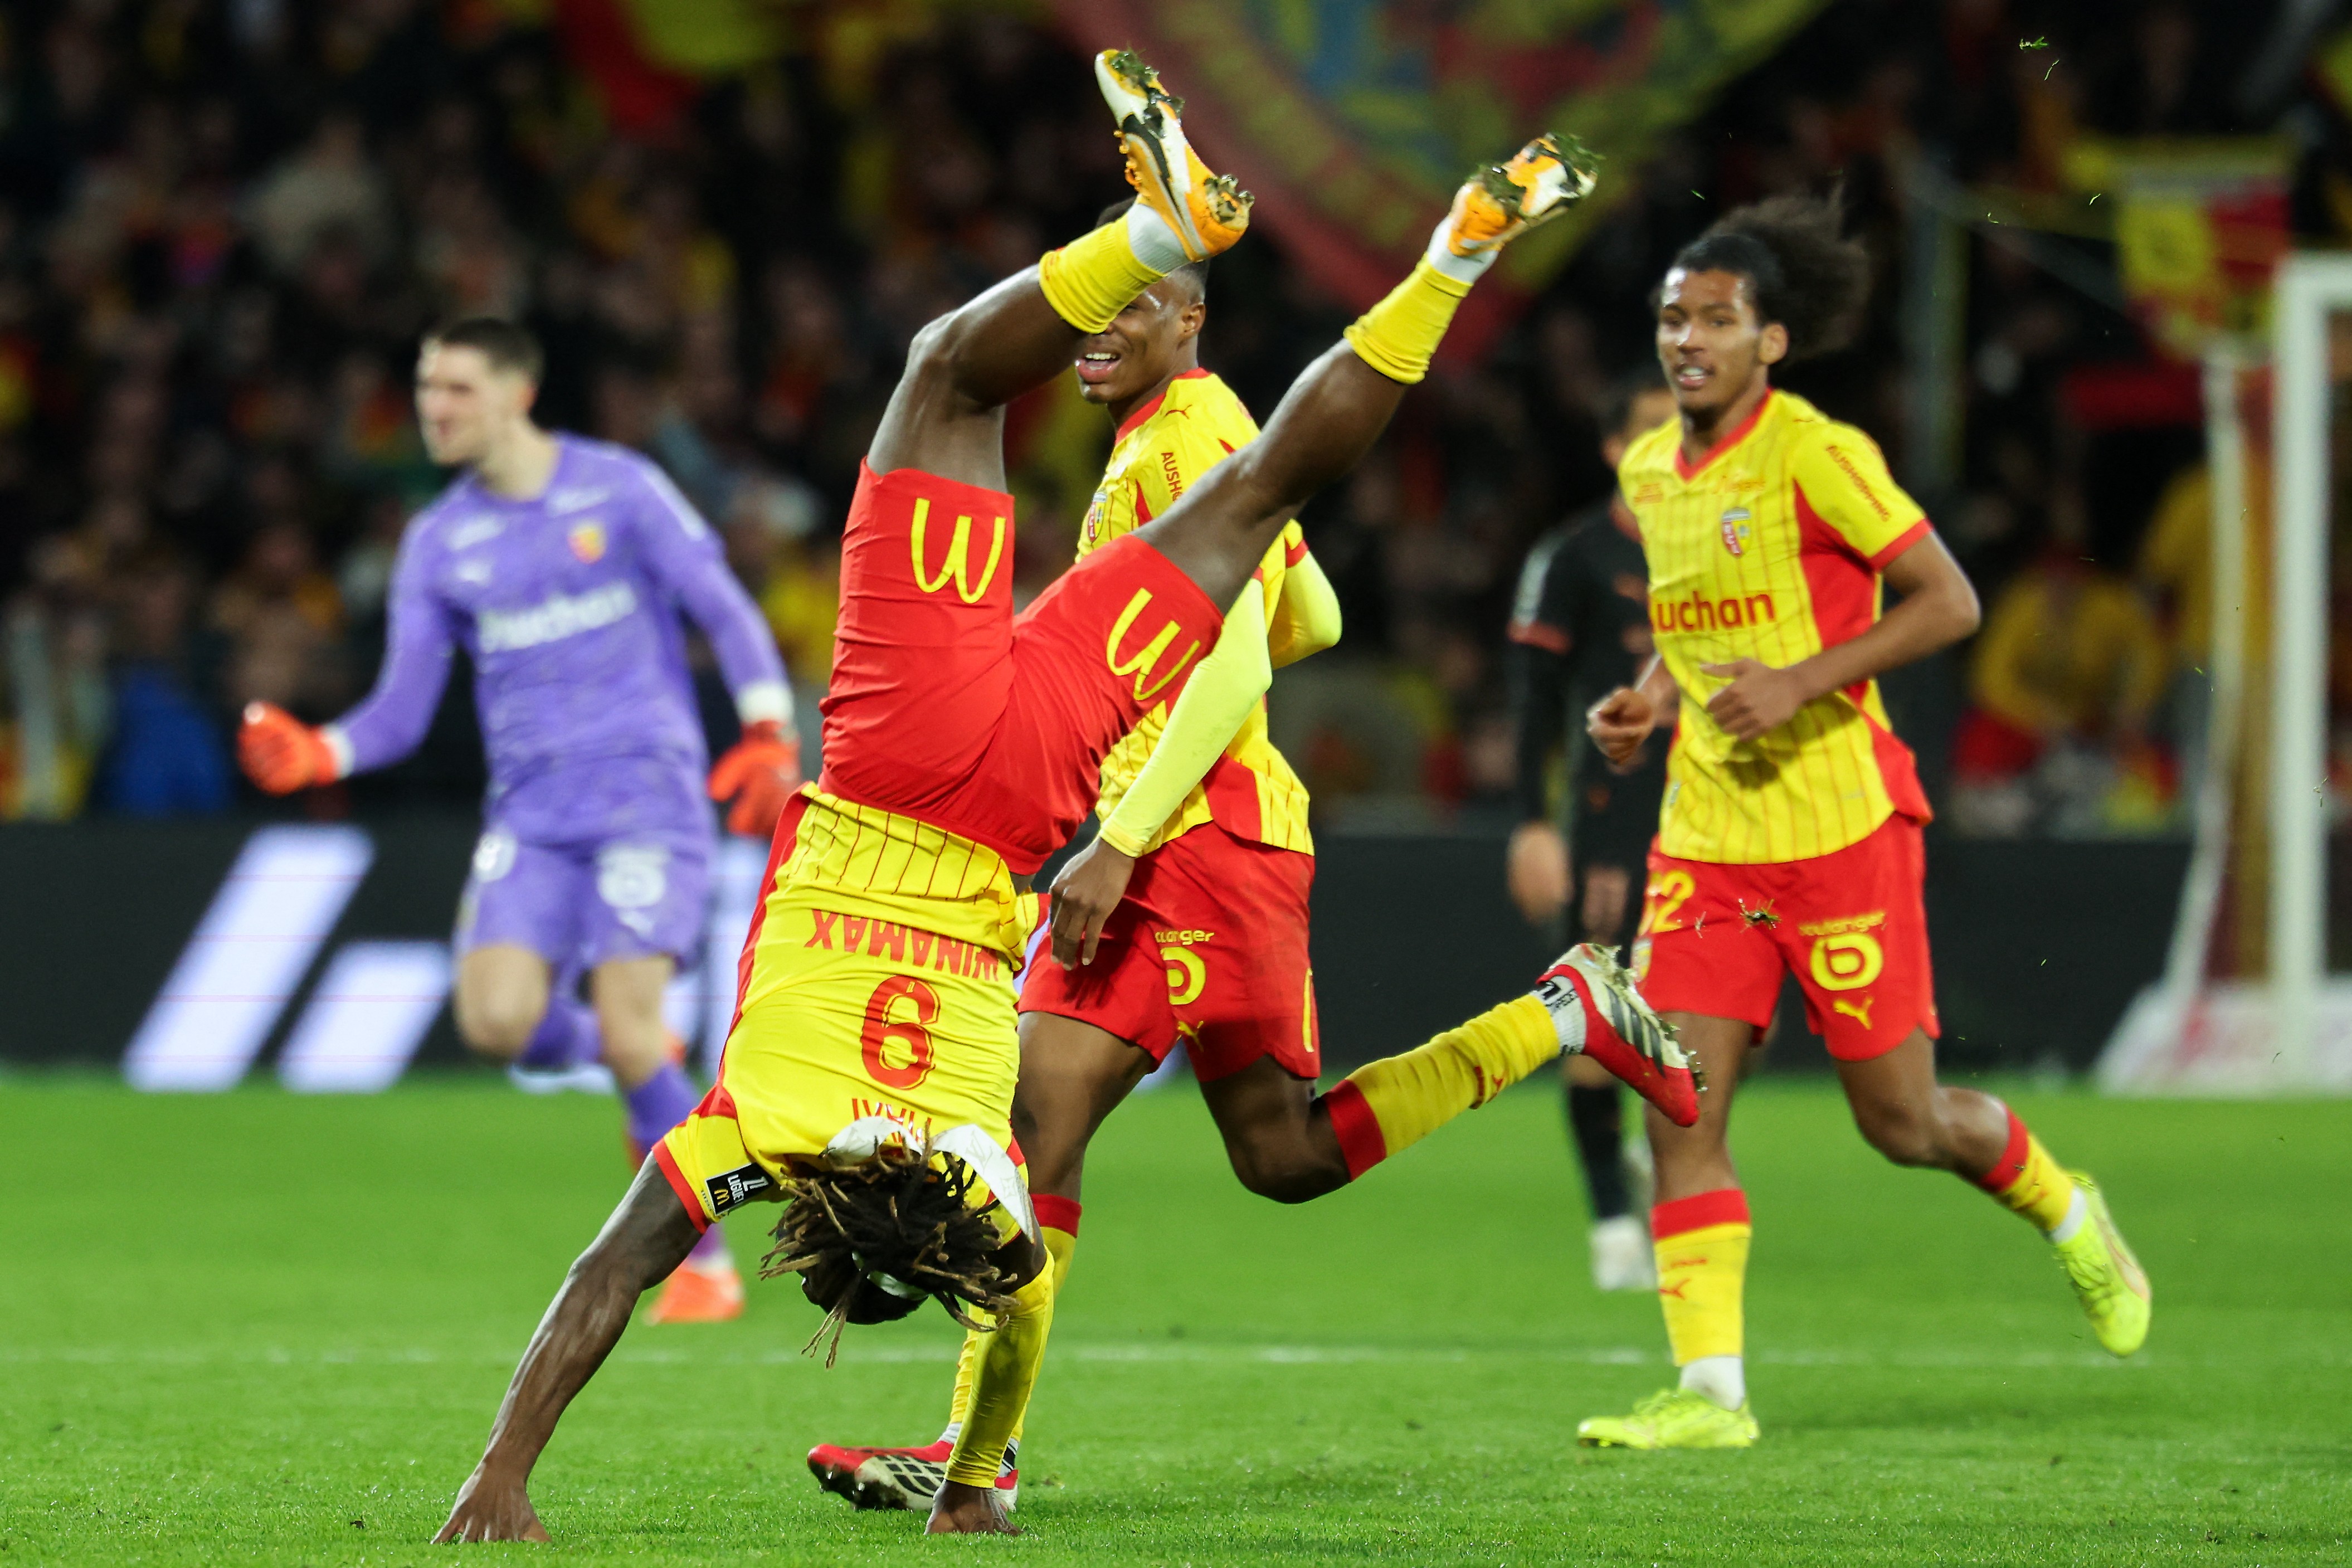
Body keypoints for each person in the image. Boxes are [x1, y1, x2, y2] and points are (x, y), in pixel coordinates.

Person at [427, 51, 1693, 1543]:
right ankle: (1164, 232)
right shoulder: (753, 1126)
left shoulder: (975, 1157)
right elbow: (611, 1273)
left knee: (1261, 490)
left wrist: (971, 1485)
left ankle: (1446, 259)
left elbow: (1013, 1283)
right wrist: (495, 1465)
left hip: (1026, 792)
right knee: (943, 374)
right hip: (923, 750)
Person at [1575, 193, 2152, 1453]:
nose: (1687, 341)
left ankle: (2066, 1210)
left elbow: (1947, 603)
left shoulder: (1816, 453)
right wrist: (1647, 701)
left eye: (1716, 321)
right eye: (1673, 319)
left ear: (1769, 342)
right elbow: (1695, 625)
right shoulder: (1643, 473)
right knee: (1675, 1101)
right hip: (1704, 840)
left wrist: (1800, 679)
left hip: (1841, 829)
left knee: (1903, 1123)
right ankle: (1709, 1396)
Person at [804, 196, 1351, 1512]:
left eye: (1135, 304)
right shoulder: (1172, 442)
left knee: (1036, 1121)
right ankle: (1556, 1020)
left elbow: (1227, 656)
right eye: (1094, 307)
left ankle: (973, 1462)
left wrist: (1119, 828)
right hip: (1220, 831)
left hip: (1186, 838)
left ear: (1189, 317)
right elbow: (1309, 614)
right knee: (1276, 1154)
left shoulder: (1189, 434)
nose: (1099, 330)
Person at [236, 317, 803, 1325]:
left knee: (633, 1029)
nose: (433, 410)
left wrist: (768, 728)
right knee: (497, 1022)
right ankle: (651, 1068)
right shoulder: (438, 540)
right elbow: (403, 709)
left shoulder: (620, 489)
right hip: (533, 819)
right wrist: (324, 750)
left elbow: (723, 608)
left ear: (516, 393)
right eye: (425, 390)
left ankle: (706, 1266)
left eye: (453, 389)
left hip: (646, 799)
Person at [1504, 373, 1679, 1292]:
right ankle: (1612, 1212)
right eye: (1650, 429)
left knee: (1697, 1021)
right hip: (1611, 826)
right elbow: (1532, 701)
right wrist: (1532, 824)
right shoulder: (1573, 555)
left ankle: (1666, 1176)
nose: (1669, 442)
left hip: (1711, 817)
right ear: (1614, 447)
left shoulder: (1719, 544)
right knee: (1596, 1013)